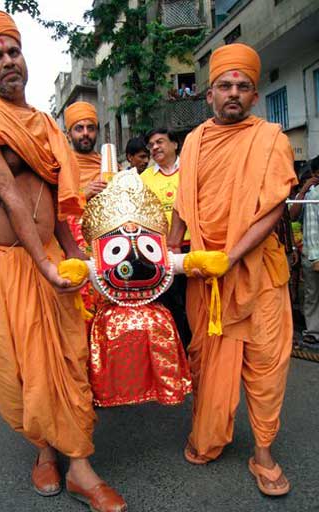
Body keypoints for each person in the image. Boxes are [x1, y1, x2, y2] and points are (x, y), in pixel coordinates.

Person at [0, 10, 126, 512]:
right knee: (18, 370)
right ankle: (43, 450)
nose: (8, 62)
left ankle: (80, 467)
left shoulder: (47, 126)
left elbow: (55, 206)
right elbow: (9, 197)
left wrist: (73, 259)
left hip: (48, 256)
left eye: (13, 51)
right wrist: (45, 265)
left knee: (67, 361)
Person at [168, 43, 297, 496]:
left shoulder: (271, 141)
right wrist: (169, 255)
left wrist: (233, 257)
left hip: (258, 274)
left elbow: (273, 207)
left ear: (255, 96)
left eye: (243, 87)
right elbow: (183, 206)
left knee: (265, 366)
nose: (234, 93)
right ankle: (209, 436)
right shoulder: (195, 141)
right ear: (209, 94)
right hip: (205, 276)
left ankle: (262, 453)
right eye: (225, 85)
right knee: (205, 360)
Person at [141, 128, 191, 349]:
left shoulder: (191, 170)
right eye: (151, 145)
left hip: (192, 247)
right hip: (158, 252)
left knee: (194, 302)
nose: (155, 147)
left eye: (160, 142)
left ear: (175, 144)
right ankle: (178, 350)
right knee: (170, 303)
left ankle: (199, 349)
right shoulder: (144, 178)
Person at [64, 101, 106, 324]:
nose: (86, 133)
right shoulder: (60, 167)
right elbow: (53, 207)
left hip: (105, 254)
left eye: (91, 127)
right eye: (79, 128)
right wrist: (83, 194)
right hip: (71, 253)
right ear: (68, 133)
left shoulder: (108, 167)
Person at [290, 155, 319, 345]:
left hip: (311, 254)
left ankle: (313, 332)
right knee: (312, 295)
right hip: (311, 254)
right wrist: (304, 190)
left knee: (312, 295)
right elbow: (292, 217)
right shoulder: (309, 194)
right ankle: (313, 331)